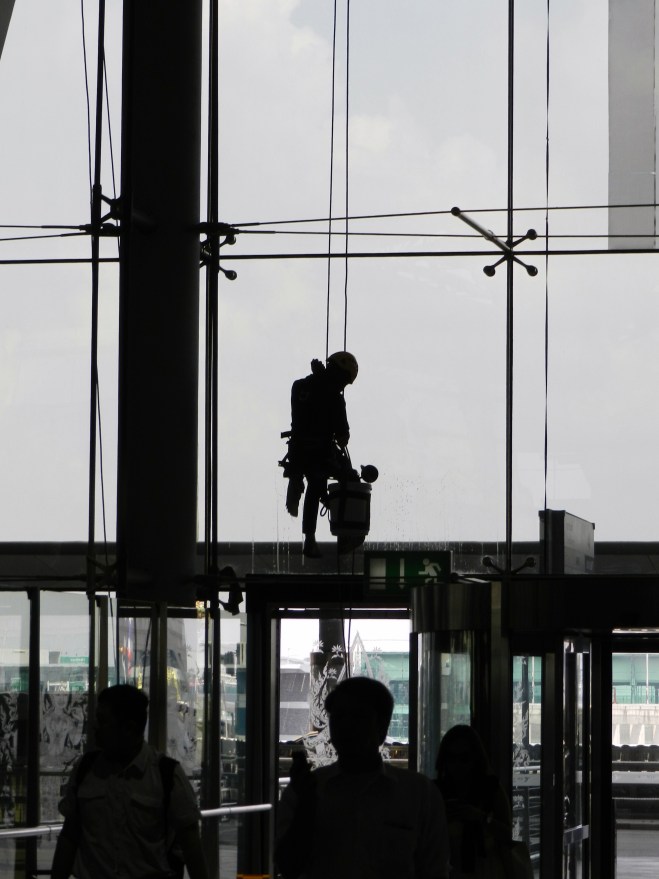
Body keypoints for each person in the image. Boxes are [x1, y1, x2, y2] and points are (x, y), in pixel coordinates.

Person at [275, 676, 450, 879]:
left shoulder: (420, 794)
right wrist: (306, 806)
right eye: (338, 717)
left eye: (358, 717)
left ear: (382, 727)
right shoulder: (307, 790)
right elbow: (287, 866)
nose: (346, 726)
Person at [51, 684, 209, 879]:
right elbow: (69, 836)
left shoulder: (166, 775)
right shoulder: (85, 770)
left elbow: (191, 846)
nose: (95, 727)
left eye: (103, 721)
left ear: (129, 728)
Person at [283, 352, 359, 558]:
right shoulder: (334, 398)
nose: (343, 386)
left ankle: (297, 478)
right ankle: (331, 536)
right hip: (319, 452)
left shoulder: (299, 386)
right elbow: (342, 435)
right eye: (343, 380)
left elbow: (302, 415)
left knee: (316, 484)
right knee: (341, 480)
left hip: (297, 451)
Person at [434, 724, 514, 878]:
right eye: (451, 758)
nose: (457, 764)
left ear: (475, 759)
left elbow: (509, 835)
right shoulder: (436, 791)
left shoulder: (490, 788)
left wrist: (480, 817)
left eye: (464, 758)